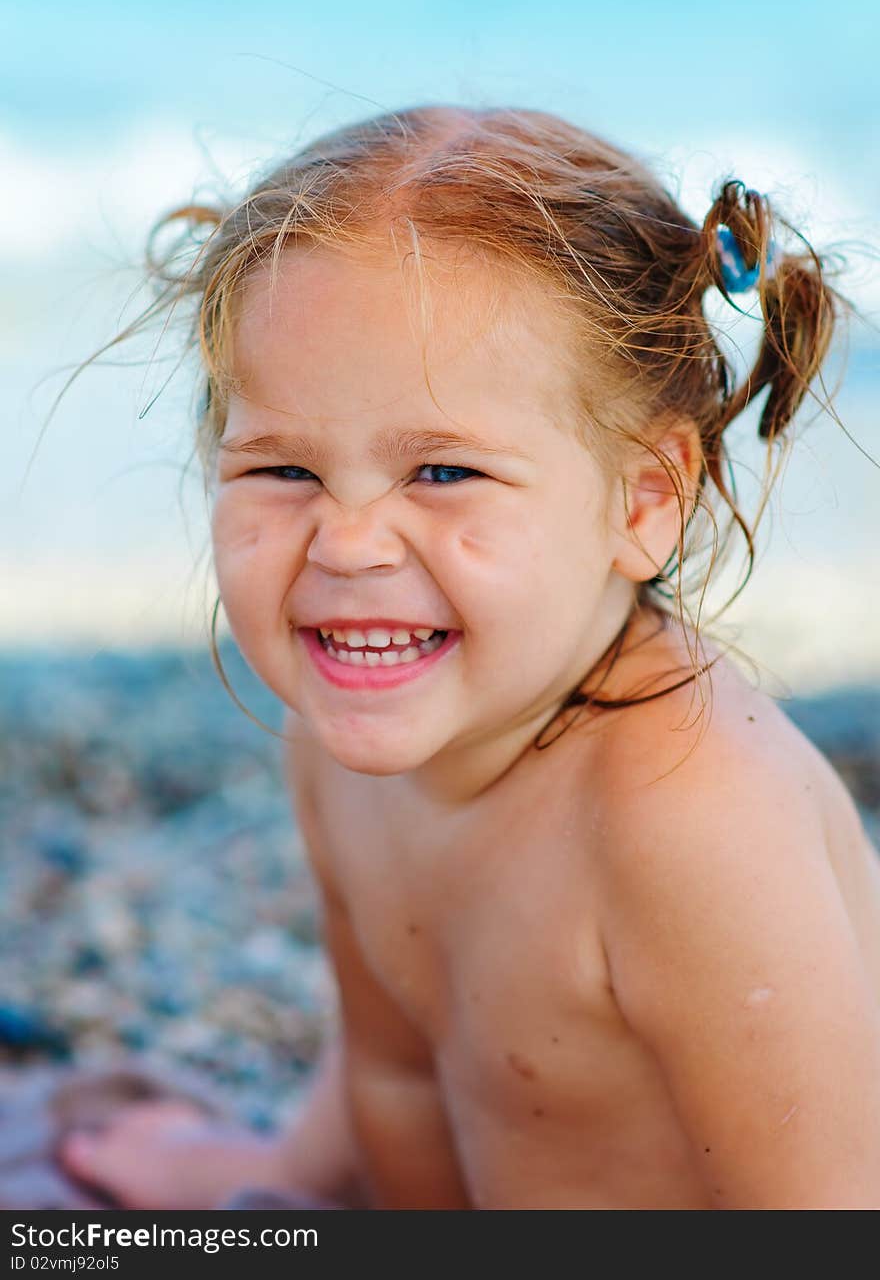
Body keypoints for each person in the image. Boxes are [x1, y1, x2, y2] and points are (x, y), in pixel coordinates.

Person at [59, 105, 880, 1209]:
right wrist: (263, 1184)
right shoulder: (339, 741)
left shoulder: (689, 825)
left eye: (442, 473)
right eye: (281, 470)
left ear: (643, 500)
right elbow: (395, 1073)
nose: (346, 545)